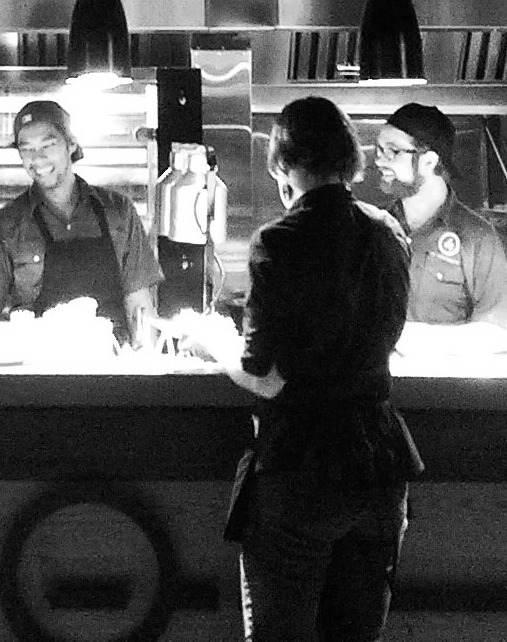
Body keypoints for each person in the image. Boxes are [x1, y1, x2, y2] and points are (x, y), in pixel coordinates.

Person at [180, 95, 422, 642]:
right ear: (349, 160)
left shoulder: (279, 240)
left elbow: (267, 376)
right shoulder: (387, 231)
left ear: (284, 166)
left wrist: (213, 345)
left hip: (305, 470)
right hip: (379, 468)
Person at [0, 98, 162, 345]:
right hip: (39, 363)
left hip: (114, 361)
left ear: (71, 144)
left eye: (48, 145)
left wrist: (145, 359)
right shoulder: (4, 225)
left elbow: (139, 305)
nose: (37, 158)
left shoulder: (119, 211)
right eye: (26, 149)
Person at [373, 102, 507, 342]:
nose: (379, 161)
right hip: (376, 367)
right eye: (378, 150)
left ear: (429, 161)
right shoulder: (371, 228)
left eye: (392, 151)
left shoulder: (478, 237)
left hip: (446, 367)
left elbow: (497, 330)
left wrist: (416, 338)